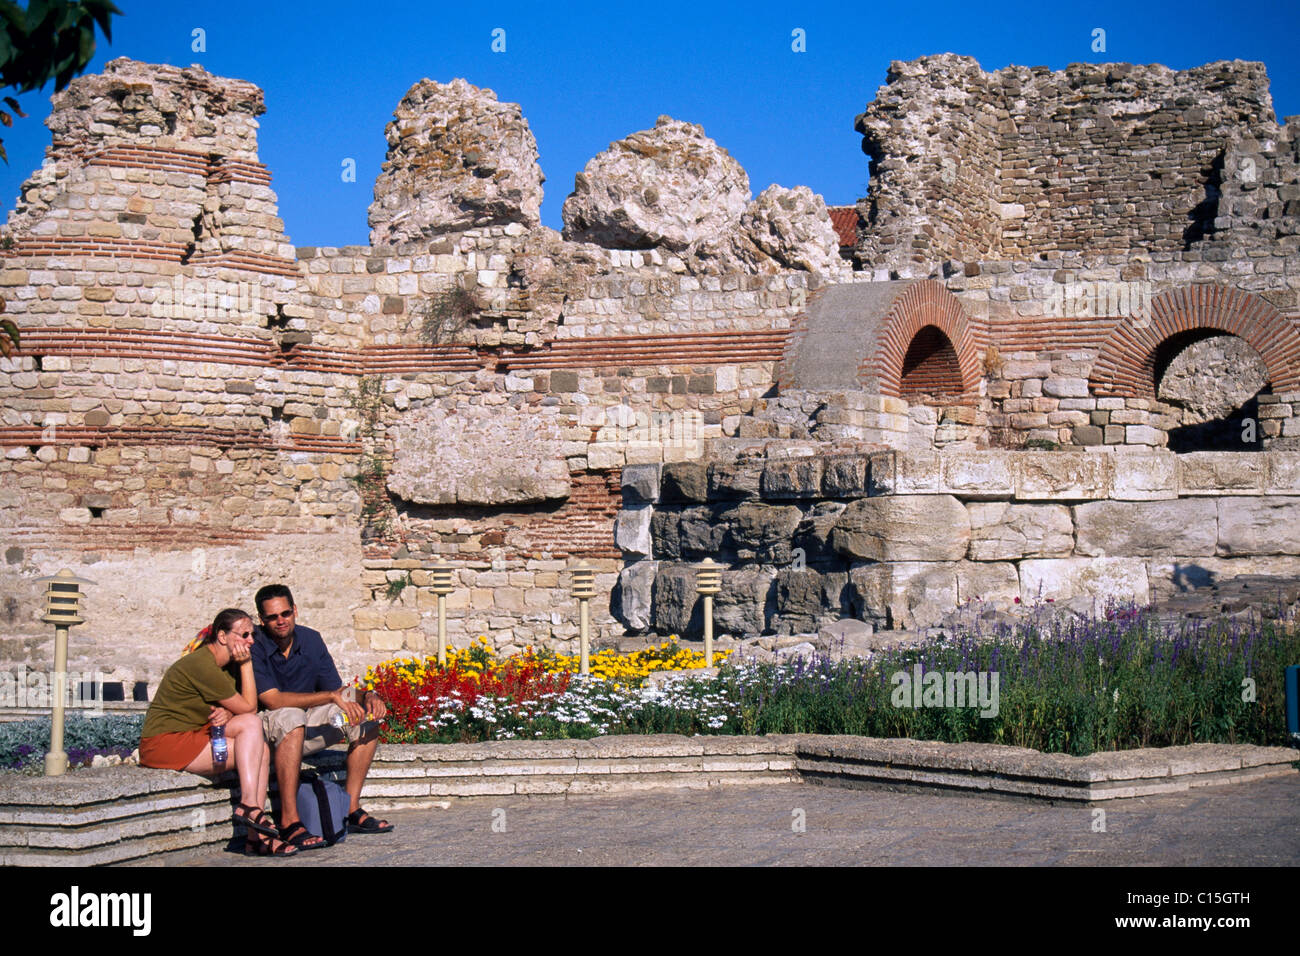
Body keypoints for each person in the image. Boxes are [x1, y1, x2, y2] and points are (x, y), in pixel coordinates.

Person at [139, 608, 297, 857]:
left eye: (252, 635)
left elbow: (243, 713)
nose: (251, 641)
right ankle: (254, 818)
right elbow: (250, 706)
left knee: (255, 734)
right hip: (164, 743)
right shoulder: (202, 664)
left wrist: (230, 713)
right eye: (244, 635)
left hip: (197, 733)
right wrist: (247, 665)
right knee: (258, 748)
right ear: (222, 636)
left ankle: (252, 825)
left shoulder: (225, 665)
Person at [251, 583, 393, 851]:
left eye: (285, 614)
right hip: (267, 733)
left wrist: (368, 695)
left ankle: (351, 809)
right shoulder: (255, 644)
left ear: (295, 611)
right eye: (272, 617)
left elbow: (340, 693)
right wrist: (328, 697)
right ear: (262, 619)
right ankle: (290, 822)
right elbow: (272, 700)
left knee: (364, 720)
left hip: (306, 728)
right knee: (291, 717)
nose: (280, 621)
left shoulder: (310, 639)